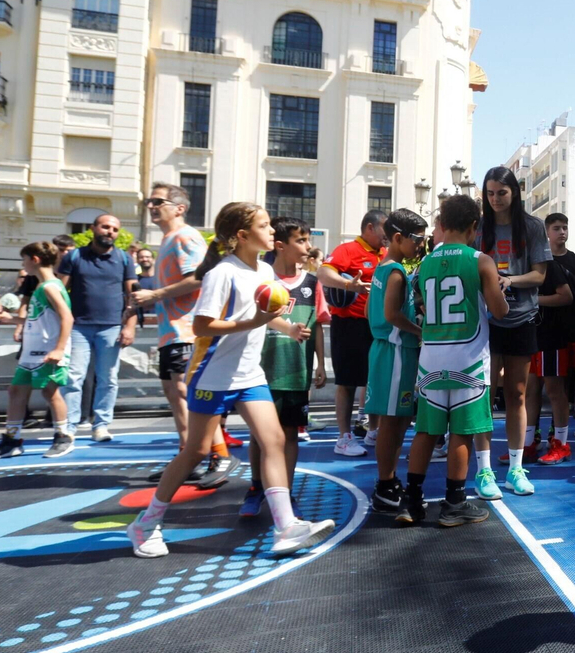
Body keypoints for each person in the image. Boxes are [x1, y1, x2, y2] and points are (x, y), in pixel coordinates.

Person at [126, 201, 332, 558]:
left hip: (249, 373)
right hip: (213, 372)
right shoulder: (223, 273)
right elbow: (203, 325)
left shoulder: (264, 274)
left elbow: (265, 315)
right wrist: (253, 322)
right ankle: (145, 523)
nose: (271, 231)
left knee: (274, 441)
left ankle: (286, 528)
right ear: (242, 236)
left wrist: (288, 326)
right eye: (265, 226)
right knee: (197, 452)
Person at [401, 194, 510, 527]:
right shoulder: (481, 260)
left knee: (426, 431)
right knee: (461, 433)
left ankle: (412, 501)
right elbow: (499, 310)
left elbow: (419, 300)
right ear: (473, 227)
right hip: (469, 361)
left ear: (443, 224)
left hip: (431, 357)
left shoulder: (425, 263)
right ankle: (454, 502)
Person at [131, 184, 235, 486]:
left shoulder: (185, 236)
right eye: (150, 201)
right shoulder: (167, 239)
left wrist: (156, 294)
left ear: (179, 207)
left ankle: (218, 455)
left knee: (190, 395)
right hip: (170, 333)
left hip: (187, 331)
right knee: (177, 397)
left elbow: (201, 278)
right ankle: (188, 458)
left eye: (158, 201)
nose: (151, 206)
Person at [241, 217, 331, 516]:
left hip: (296, 371)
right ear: (280, 245)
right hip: (261, 370)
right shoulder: (262, 280)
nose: (308, 246)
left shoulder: (311, 282)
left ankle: (285, 491)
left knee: (290, 433)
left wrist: (320, 363)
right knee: (260, 435)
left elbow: (318, 324)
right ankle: (256, 487)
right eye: (301, 240)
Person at [474, 167, 550, 499]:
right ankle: (484, 470)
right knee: (484, 395)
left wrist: (508, 280)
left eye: (501, 193)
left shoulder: (532, 226)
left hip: (521, 318)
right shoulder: (479, 228)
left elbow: (540, 276)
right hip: (486, 322)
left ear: (515, 192)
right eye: (489, 193)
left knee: (518, 393)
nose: (495, 199)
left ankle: (516, 468)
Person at [0, 242, 75, 460]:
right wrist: (11, 318)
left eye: (24, 260)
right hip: (33, 350)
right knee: (16, 391)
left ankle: (63, 436)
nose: (23, 265)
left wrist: (59, 349)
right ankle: (12, 440)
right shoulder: (43, 286)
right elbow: (39, 319)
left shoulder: (50, 286)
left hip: (48, 350)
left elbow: (67, 317)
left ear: (34, 259)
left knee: (50, 391)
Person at [365, 210, 427, 513]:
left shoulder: (383, 268)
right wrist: (420, 331)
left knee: (399, 420)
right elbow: (391, 314)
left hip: (386, 350)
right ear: (399, 238)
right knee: (392, 423)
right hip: (396, 352)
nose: (421, 245)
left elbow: (371, 313)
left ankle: (387, 480)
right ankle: (385, 483)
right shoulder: (396, 273)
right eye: (418, 239)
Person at [57, 214, 136, 442]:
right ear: (93, 228)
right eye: (105, 227)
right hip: (78, 327)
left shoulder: (124, 259)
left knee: (108, 378)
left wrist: (129, 326)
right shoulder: (74, 256)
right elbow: (59, 293)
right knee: (73, 378)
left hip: (111, 328)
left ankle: (100, 425)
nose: (110, 231)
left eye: (114, 228)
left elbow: (133, 296)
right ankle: (69, 427)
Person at [319, 212, 387, 456]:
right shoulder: (347, 250)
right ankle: (344, 437)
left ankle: (373, 431)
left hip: (375, 325)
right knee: (347, 382)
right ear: (370, 227)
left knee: (375, 380)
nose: (387, 235)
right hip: (348, 324)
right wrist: (349, 285)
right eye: (383, 230)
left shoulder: (384, 254)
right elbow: (323, 273)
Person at [530, 212, 575, 467]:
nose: (562, 232)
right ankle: (530, 441)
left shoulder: (550, 264)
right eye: (557, 228)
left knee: (554, 389)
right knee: (529, 390)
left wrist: (532, 301)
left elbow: (567, 297)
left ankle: (561, 442)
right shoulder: (527, 260)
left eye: (564, 227)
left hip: (552, 335)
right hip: (530, 334)